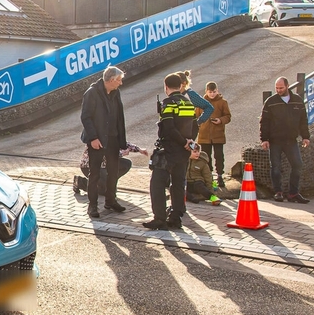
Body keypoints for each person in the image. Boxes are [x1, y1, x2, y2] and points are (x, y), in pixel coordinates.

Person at [144, 72, 196, 230]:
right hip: (184, 151)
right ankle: (176, 218)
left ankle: (159, 218)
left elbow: (169, 127)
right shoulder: (188, 103)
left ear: (166, 87)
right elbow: (195, 126)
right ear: (181, 86)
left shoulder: (168, 104)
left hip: (169, 150)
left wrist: (181, 141)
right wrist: (189, 143)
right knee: (178, 184)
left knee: (157, 183)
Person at [80, 66, 128, 218]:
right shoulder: (92, 93)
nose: (120, 83)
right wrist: (93, 138)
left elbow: (119, 116)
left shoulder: (115, 92)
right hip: (98, 140)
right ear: (112, 80)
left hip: (113, 138)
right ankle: (92, 206)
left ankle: (110, 201)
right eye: (119, 80)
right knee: (94, 174)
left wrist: (122, 141)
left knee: (113, 172)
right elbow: (86, 117)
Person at [260, 76, 311, 203]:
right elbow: (264, 121)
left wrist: (305, 136)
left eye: (281, 88)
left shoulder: (298, 101)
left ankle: (293, 193)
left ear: (287, 86)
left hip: (291, 140)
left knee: (297, 165)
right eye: (277, 88)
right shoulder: (270, 102)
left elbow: (303, 120)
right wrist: (264, 139)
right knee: (275, 167)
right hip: (275, 140)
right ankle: (278, 192)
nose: (278, 90)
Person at [75, 142, 149, 196]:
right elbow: (105, 154)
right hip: (90, 166)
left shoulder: (112, 132)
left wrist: (139, 149)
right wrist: (121, 153)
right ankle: (80, 182)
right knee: (105, 191)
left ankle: (108, 183)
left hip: (104, 165)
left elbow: (124, 144)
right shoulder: (100, 134)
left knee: (126, 164)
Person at [196, 81, 231, 188]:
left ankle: (220, 175)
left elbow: (228, 116)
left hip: (218, 135)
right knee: (206, 157)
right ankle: (209, 176)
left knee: (219, 156)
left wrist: (220, 120)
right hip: (204, 135)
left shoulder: (223, 102)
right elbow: (196, 117)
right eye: (210, 92)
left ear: (217, 91)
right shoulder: (200, 103)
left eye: (214, 92)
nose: (212, 94)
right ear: (206, 91)